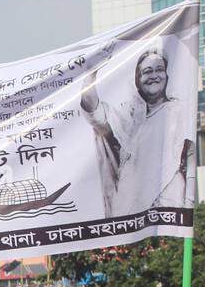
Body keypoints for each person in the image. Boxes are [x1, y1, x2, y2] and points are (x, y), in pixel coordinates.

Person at [81, 44, 195, 218]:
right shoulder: (129, 117)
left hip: (168, 201)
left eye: (159, 70)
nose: (154, 76)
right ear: (137, 79)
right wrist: (91, 74)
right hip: (130, 209)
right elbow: (94, 112)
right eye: (147, 71)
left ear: (167, 75)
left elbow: (190, 157)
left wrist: (189, 203)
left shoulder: (178, 111)